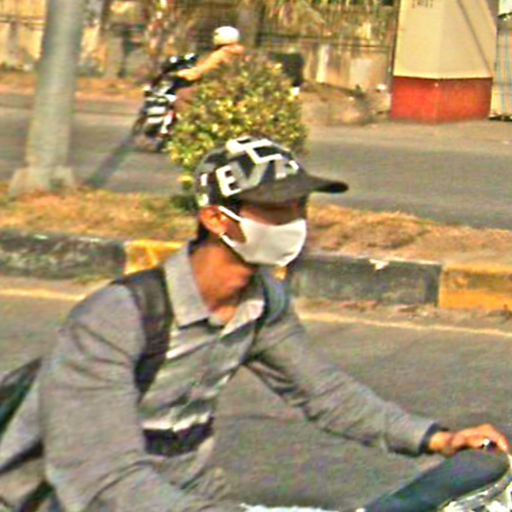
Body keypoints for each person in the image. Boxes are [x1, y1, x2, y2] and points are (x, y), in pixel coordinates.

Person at [0, 136, 509, 512]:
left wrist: (436, 439)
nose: (294, 224)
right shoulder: (117, 317)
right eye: (274, 210)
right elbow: (104, 482)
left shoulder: (259, 300)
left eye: (299, 208)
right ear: (217, 219)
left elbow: (324, 393)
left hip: (187, 495)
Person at [173, 26, 245, 113]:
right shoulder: (240, 53)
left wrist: (182, 73)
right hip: (236, 87)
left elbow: (204, 69)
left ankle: (186, 119)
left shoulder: (220, 54)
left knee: (182, 94)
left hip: (219, 88)